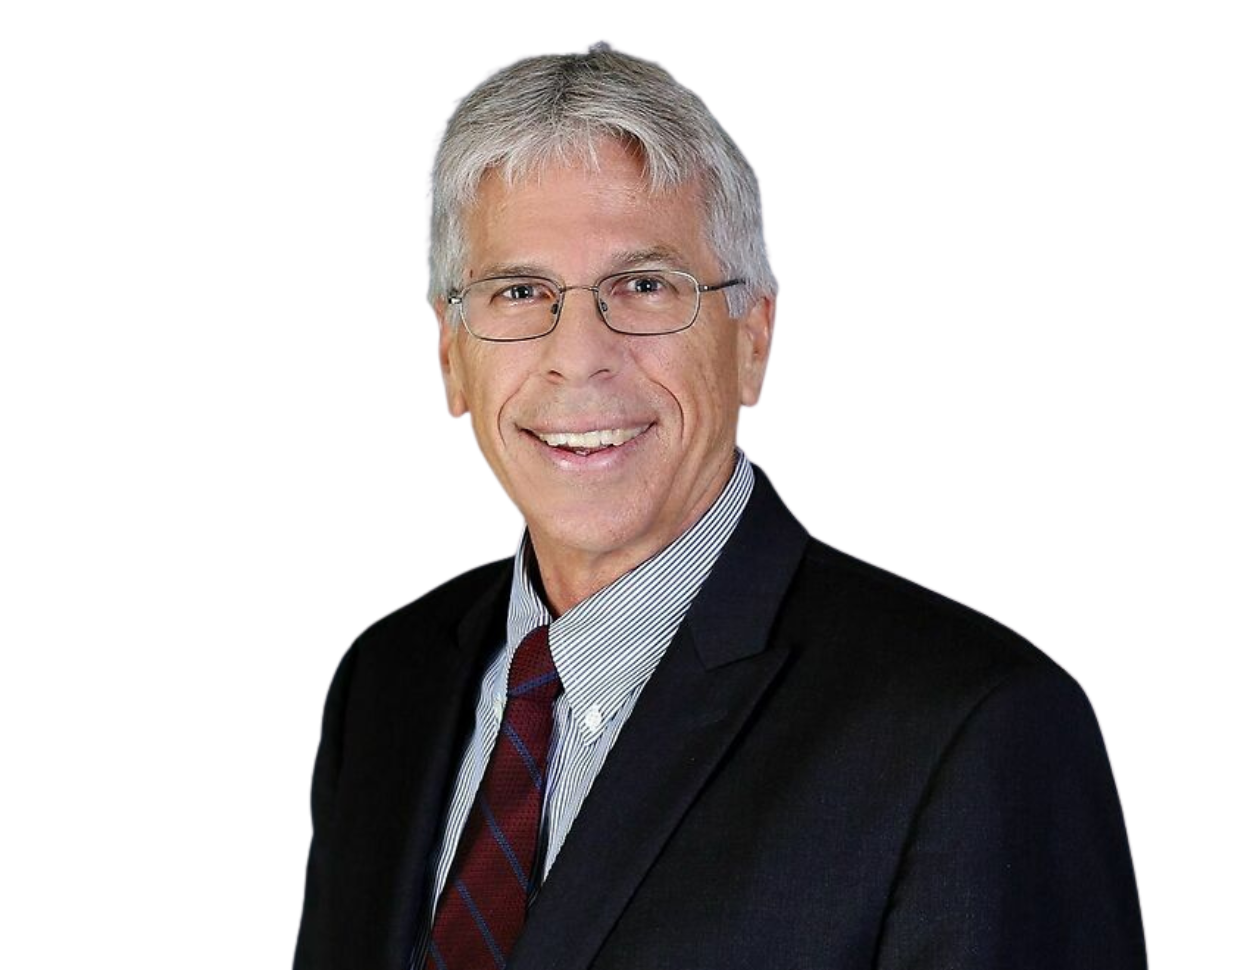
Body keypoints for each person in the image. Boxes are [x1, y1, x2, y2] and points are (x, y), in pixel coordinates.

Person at [293, 40, 1148, 970]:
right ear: (450, 354)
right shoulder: (383, 684)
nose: (578, 356)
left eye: (645, 286)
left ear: (754, 338)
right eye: (521, 291)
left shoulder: (979, 731)